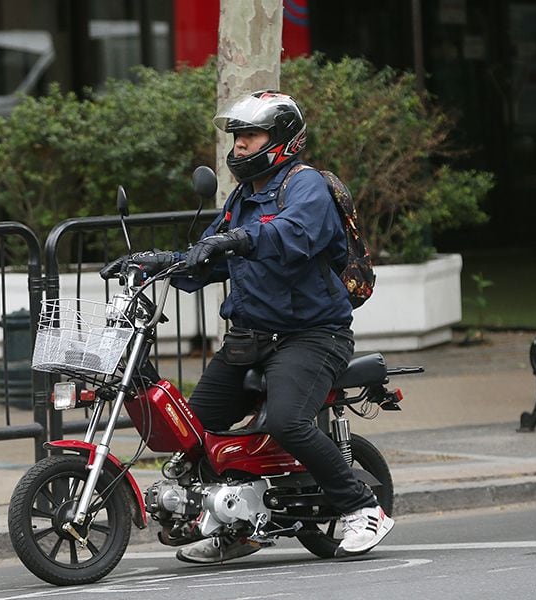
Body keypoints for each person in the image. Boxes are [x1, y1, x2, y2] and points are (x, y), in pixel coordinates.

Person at [172, 90, 393, 564]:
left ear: (283, 140)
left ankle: (362, 508)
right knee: (194, 426)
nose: (240, 148)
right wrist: (164, 264)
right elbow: (214, 255)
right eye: (238, 138)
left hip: (311, 335)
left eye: (251, 137)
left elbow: (293, 234)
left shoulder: (305, 185)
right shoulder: (242, 198)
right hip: (250, 337)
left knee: (290, 420)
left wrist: (238, 238)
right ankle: (240, 525)